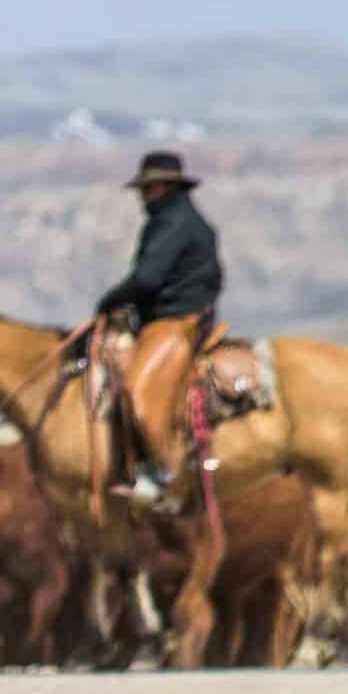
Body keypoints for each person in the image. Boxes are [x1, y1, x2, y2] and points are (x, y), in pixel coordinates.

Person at [94, 150, 223, 502]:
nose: (143, 196)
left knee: (137, 391)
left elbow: (148, 279)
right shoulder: (177, 219)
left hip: (177, 320)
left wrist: (110, 301)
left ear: (166, 186)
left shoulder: (173, 222)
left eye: (148, 188)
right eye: (142, 188)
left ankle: (164, 474)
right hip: (171, 316)